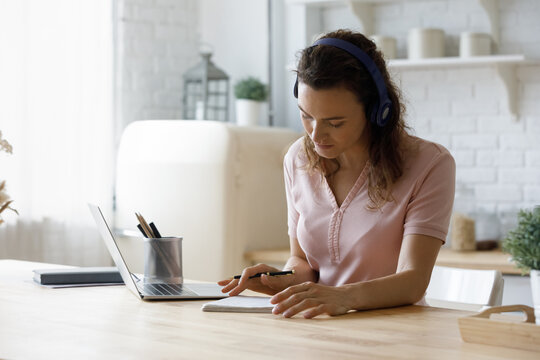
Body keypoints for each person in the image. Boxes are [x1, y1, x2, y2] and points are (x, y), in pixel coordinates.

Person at [218, 29, 456, 319]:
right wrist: (283, 278)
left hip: (395, 333)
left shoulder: (430, 164)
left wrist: (342, 297)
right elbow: (303, 262)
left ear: (376, 111)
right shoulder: (297, 158)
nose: (316, 135)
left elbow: (413, 281)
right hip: (318, 328)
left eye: (335, 122)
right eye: (306, 116)